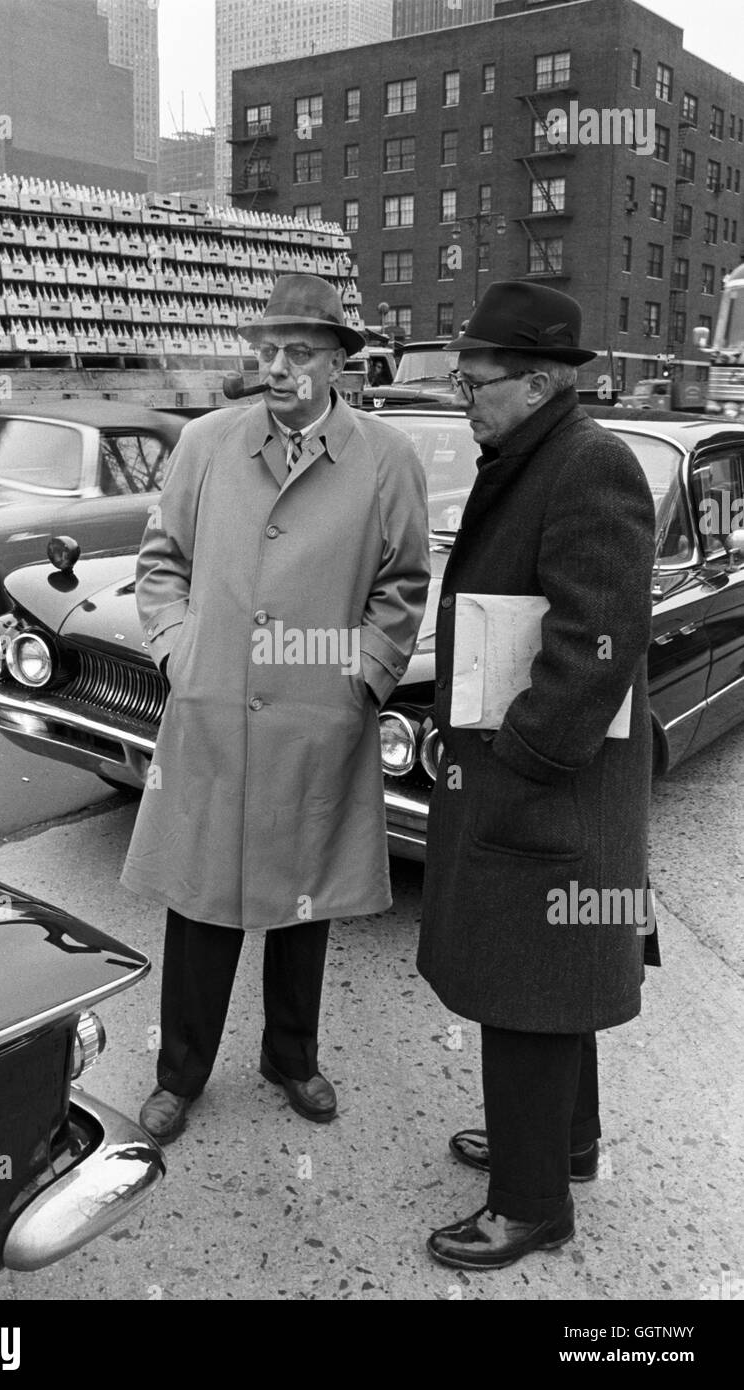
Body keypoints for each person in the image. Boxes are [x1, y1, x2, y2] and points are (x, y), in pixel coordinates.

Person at [122, 273, 430, 1143]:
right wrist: (181, 651)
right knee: (200, 898)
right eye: (267, 351)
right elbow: (160, 558)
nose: (279, 366)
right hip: (214, 708)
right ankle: (179, 1073)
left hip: (316, 713)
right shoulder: (207, 443)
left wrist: (361, 677)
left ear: (339, 361)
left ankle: (290, 1057)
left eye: (299, 352)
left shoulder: (386, 458)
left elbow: (402, 582)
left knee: (305, 902)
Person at [417, 280, 659, 1270]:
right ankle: (561, 1144)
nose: (462, 396)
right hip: (543, 780)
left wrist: (518, 753)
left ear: (542, 381)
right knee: (551, 978)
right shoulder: (534, 451)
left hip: (545, 782)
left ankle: (529, 1205)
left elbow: (595, 641)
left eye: (477, 381)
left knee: (524, 987)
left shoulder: (585, 465)